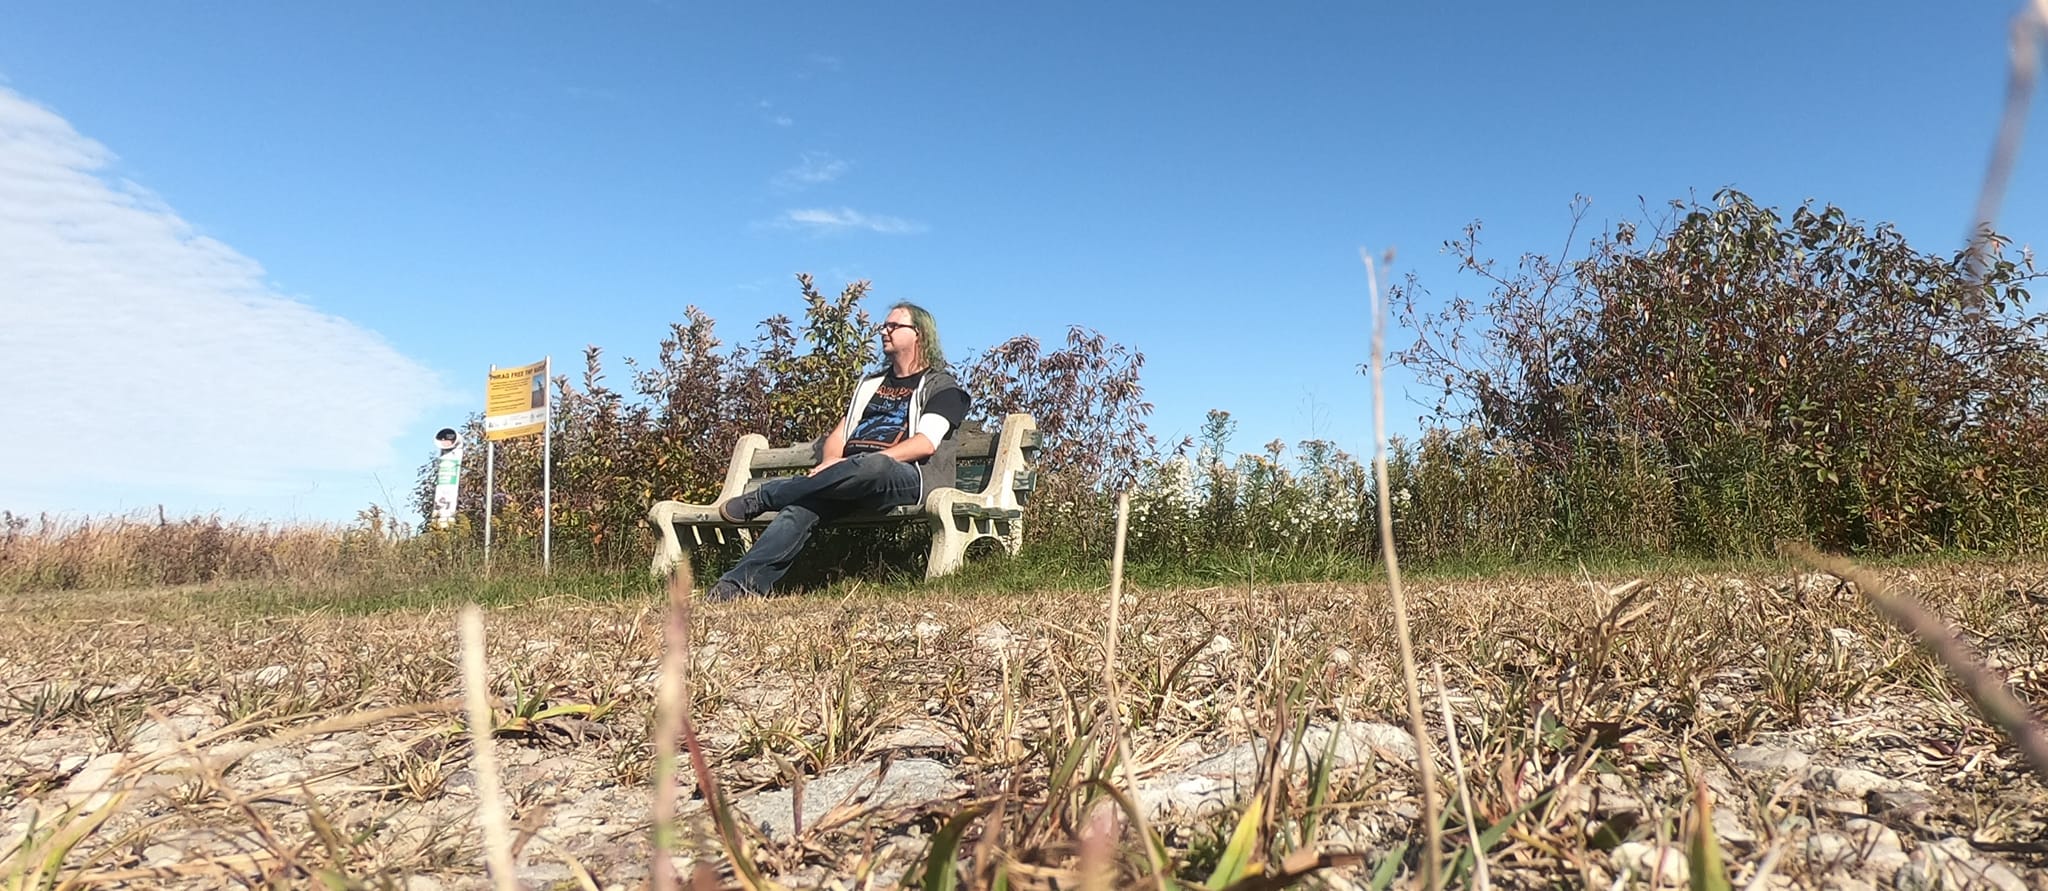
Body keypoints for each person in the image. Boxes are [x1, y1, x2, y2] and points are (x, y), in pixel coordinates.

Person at [707, 302, 971, 600]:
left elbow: (925, 443)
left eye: (893, 326)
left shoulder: (942, 387)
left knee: (874, 466)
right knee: (800, 509)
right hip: (848, 478)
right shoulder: (871, 385)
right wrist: (833, 461)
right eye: (884, 326)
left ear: (919, 334)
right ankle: (736, 587)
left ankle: (768, 495)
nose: (884, 331)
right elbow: (839, 434)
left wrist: (863, 463)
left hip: (908, 477)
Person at [431, 428, 464, 528]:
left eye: (448, 440)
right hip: (442, 499)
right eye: (444, 440)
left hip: (449, 503)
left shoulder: (457, 451)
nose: (445, 442)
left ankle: (444, 524)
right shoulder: (445, 456)